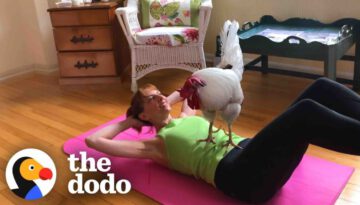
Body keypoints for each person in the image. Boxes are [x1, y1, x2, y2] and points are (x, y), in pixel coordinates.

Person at [85, 77, 360, 203]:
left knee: (321, 87)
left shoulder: (186, 117)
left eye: (159, 93)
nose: (159, 97)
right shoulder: (153, 145)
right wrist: (131, 120)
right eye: (151, 98)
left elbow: (183, 95)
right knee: (306, 111)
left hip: (253, 152)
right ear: (143, 113)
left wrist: (176, 93)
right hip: (242, 177)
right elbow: (95, 142)